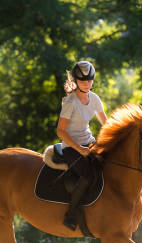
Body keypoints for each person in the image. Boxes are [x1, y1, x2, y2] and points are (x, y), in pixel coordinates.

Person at [57, 60, 108, 230]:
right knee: (87, 176)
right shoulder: (70, 102)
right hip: (71, 147)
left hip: (89, 142)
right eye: (83, 81)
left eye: (90, 81)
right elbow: (61, 132)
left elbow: (106, 124)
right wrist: (80, 149)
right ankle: (70, 215)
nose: (87, 84)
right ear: (76, 82)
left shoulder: (94, 99)